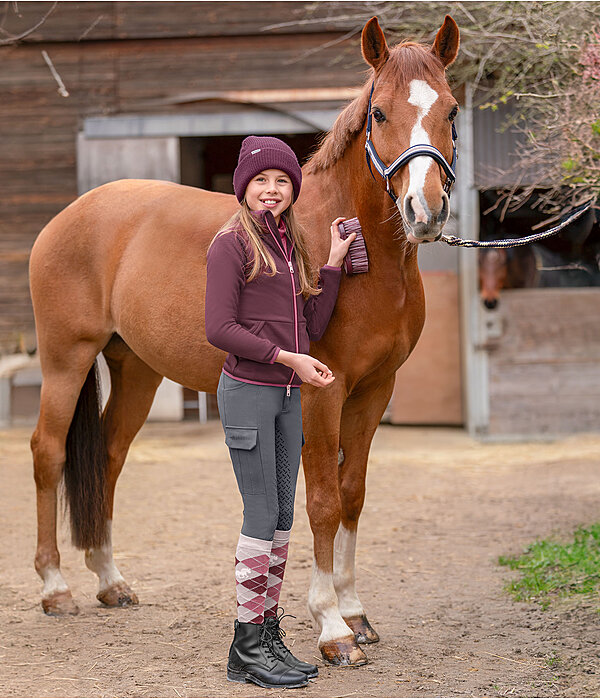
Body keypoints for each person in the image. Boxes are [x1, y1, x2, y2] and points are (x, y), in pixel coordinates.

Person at [204, 135, 356, 689]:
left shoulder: (290, 247)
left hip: (288, 397)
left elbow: (311, 328)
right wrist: (287, 357)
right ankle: (245, 646)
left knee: (284, 518)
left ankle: (267, 634)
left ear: (293, 191)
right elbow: (218, 329)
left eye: (282, 182)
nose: (272, 190)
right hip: (248, 393)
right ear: (244, 188)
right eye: (261, 182)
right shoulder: (231, 244)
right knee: (260, 514)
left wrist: (334, 264)